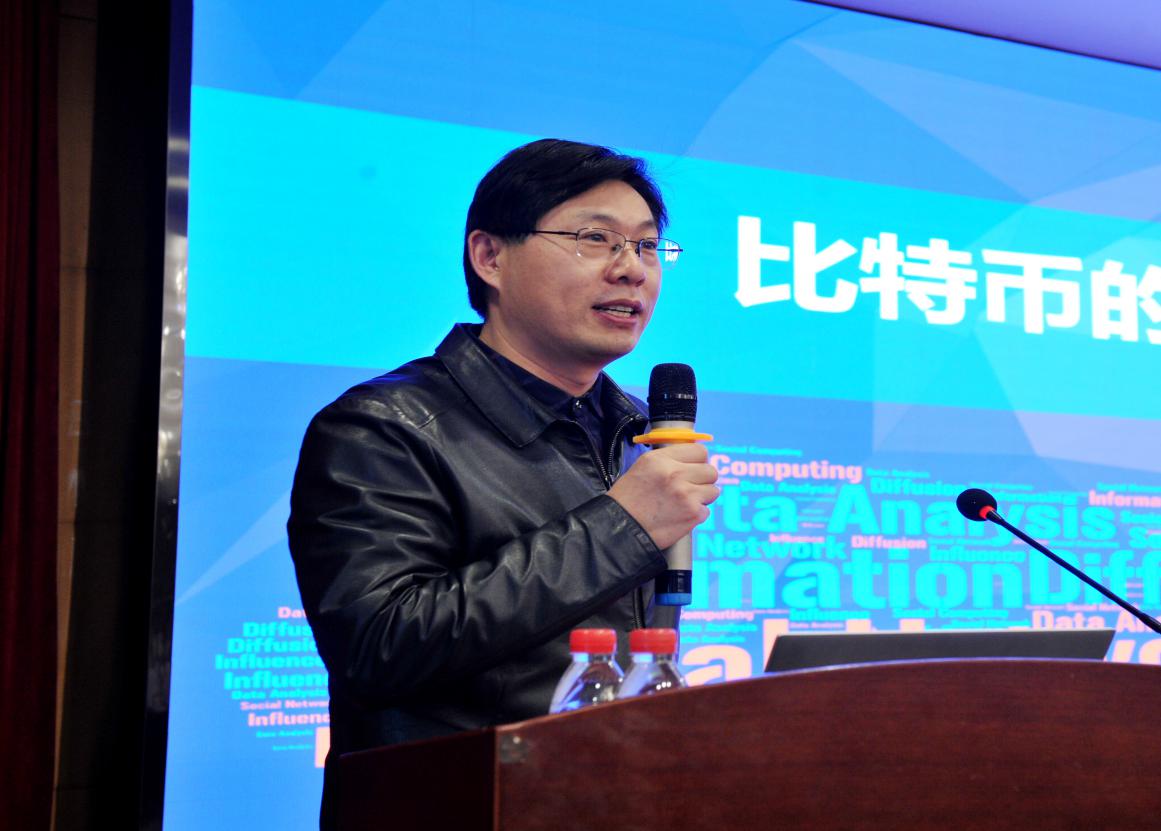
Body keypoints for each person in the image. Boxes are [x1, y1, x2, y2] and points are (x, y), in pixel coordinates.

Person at [287, 138, 720, 828]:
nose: (631, 269)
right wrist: (622, 527)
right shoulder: (382, 428)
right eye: (595, 239)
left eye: (645, 246)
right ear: (489, 256)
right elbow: (378, 645)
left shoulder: (636, 430)